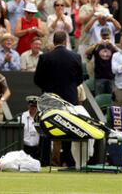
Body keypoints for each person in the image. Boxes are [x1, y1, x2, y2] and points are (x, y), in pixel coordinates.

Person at [34, 31, 83, 167]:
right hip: (69, 98)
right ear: (66, 41)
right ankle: (67, 157)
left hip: (50, 99)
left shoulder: (45, 57)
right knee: (67, 126)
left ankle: (44, 160)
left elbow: (37, 79)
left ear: (54, 42)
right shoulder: (76, 57)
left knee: (47, 127)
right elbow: (79, 79)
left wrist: (48, 89)